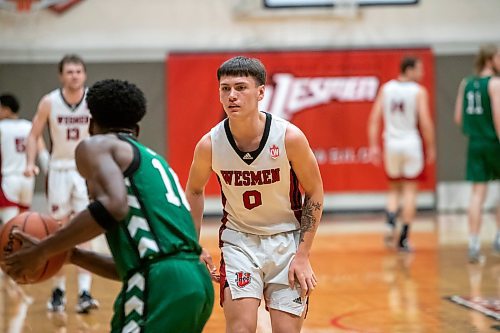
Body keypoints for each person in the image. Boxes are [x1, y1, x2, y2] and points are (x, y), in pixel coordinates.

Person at [2, 79, 214, 332]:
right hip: (196, 282)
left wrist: (44, 249)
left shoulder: (96, 145)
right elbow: (134, 266)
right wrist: (73, 255)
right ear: (136, 129)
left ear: (91, 124)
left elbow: (114, 206)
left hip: (161, 283)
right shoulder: (154, 160)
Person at [186, 56, 323, 333]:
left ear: (261, 92)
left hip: (287, 241)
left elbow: (315, 191)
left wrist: (303, 254)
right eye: (225, 89)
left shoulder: (289, 137)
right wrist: (193, 243)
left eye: (240, 87)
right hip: (239, 242)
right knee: (241, 328)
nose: (231, 96)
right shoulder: (209, 144)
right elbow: (195, 189)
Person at [23, 54, 98, 313]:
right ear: (61, 75)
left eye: (78, 71)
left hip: (84, 170)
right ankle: (59, 290)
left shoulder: (93, 100)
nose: (74, 75)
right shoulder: (49, 101)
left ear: (84, 74)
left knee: (84, 229)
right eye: (69, 71)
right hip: (59, 170)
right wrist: (29, 163)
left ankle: (85, 292)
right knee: (58, 231)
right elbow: (33, 135)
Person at [368, 56, 436, 252]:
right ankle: (404, 238)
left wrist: (373, 145)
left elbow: (374, 119)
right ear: (409, 70)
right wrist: (430, 146)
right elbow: (425, 121)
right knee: (410, 191)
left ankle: (390, 223)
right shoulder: (418, 91)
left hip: (391, 143)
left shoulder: (386, 88)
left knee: (393, 190)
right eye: (419, 69)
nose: (422, 74)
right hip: (411, 144)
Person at [453, 44, 500, 263]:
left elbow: (458, 119)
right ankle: (498, 236)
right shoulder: (495, 83)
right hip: (494, 142)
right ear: (490, 59)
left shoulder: (466, 83)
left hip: (474, 143)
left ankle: (473, 243)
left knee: (477, 194)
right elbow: (499, 119)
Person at [0, 93, 49, 224]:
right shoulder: (29, 126)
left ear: (6, 109)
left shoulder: (1, 127)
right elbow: (42, 152)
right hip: (28, 179)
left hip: (8, 180)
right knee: (24, 224)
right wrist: (50, 175)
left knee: (9, 226)